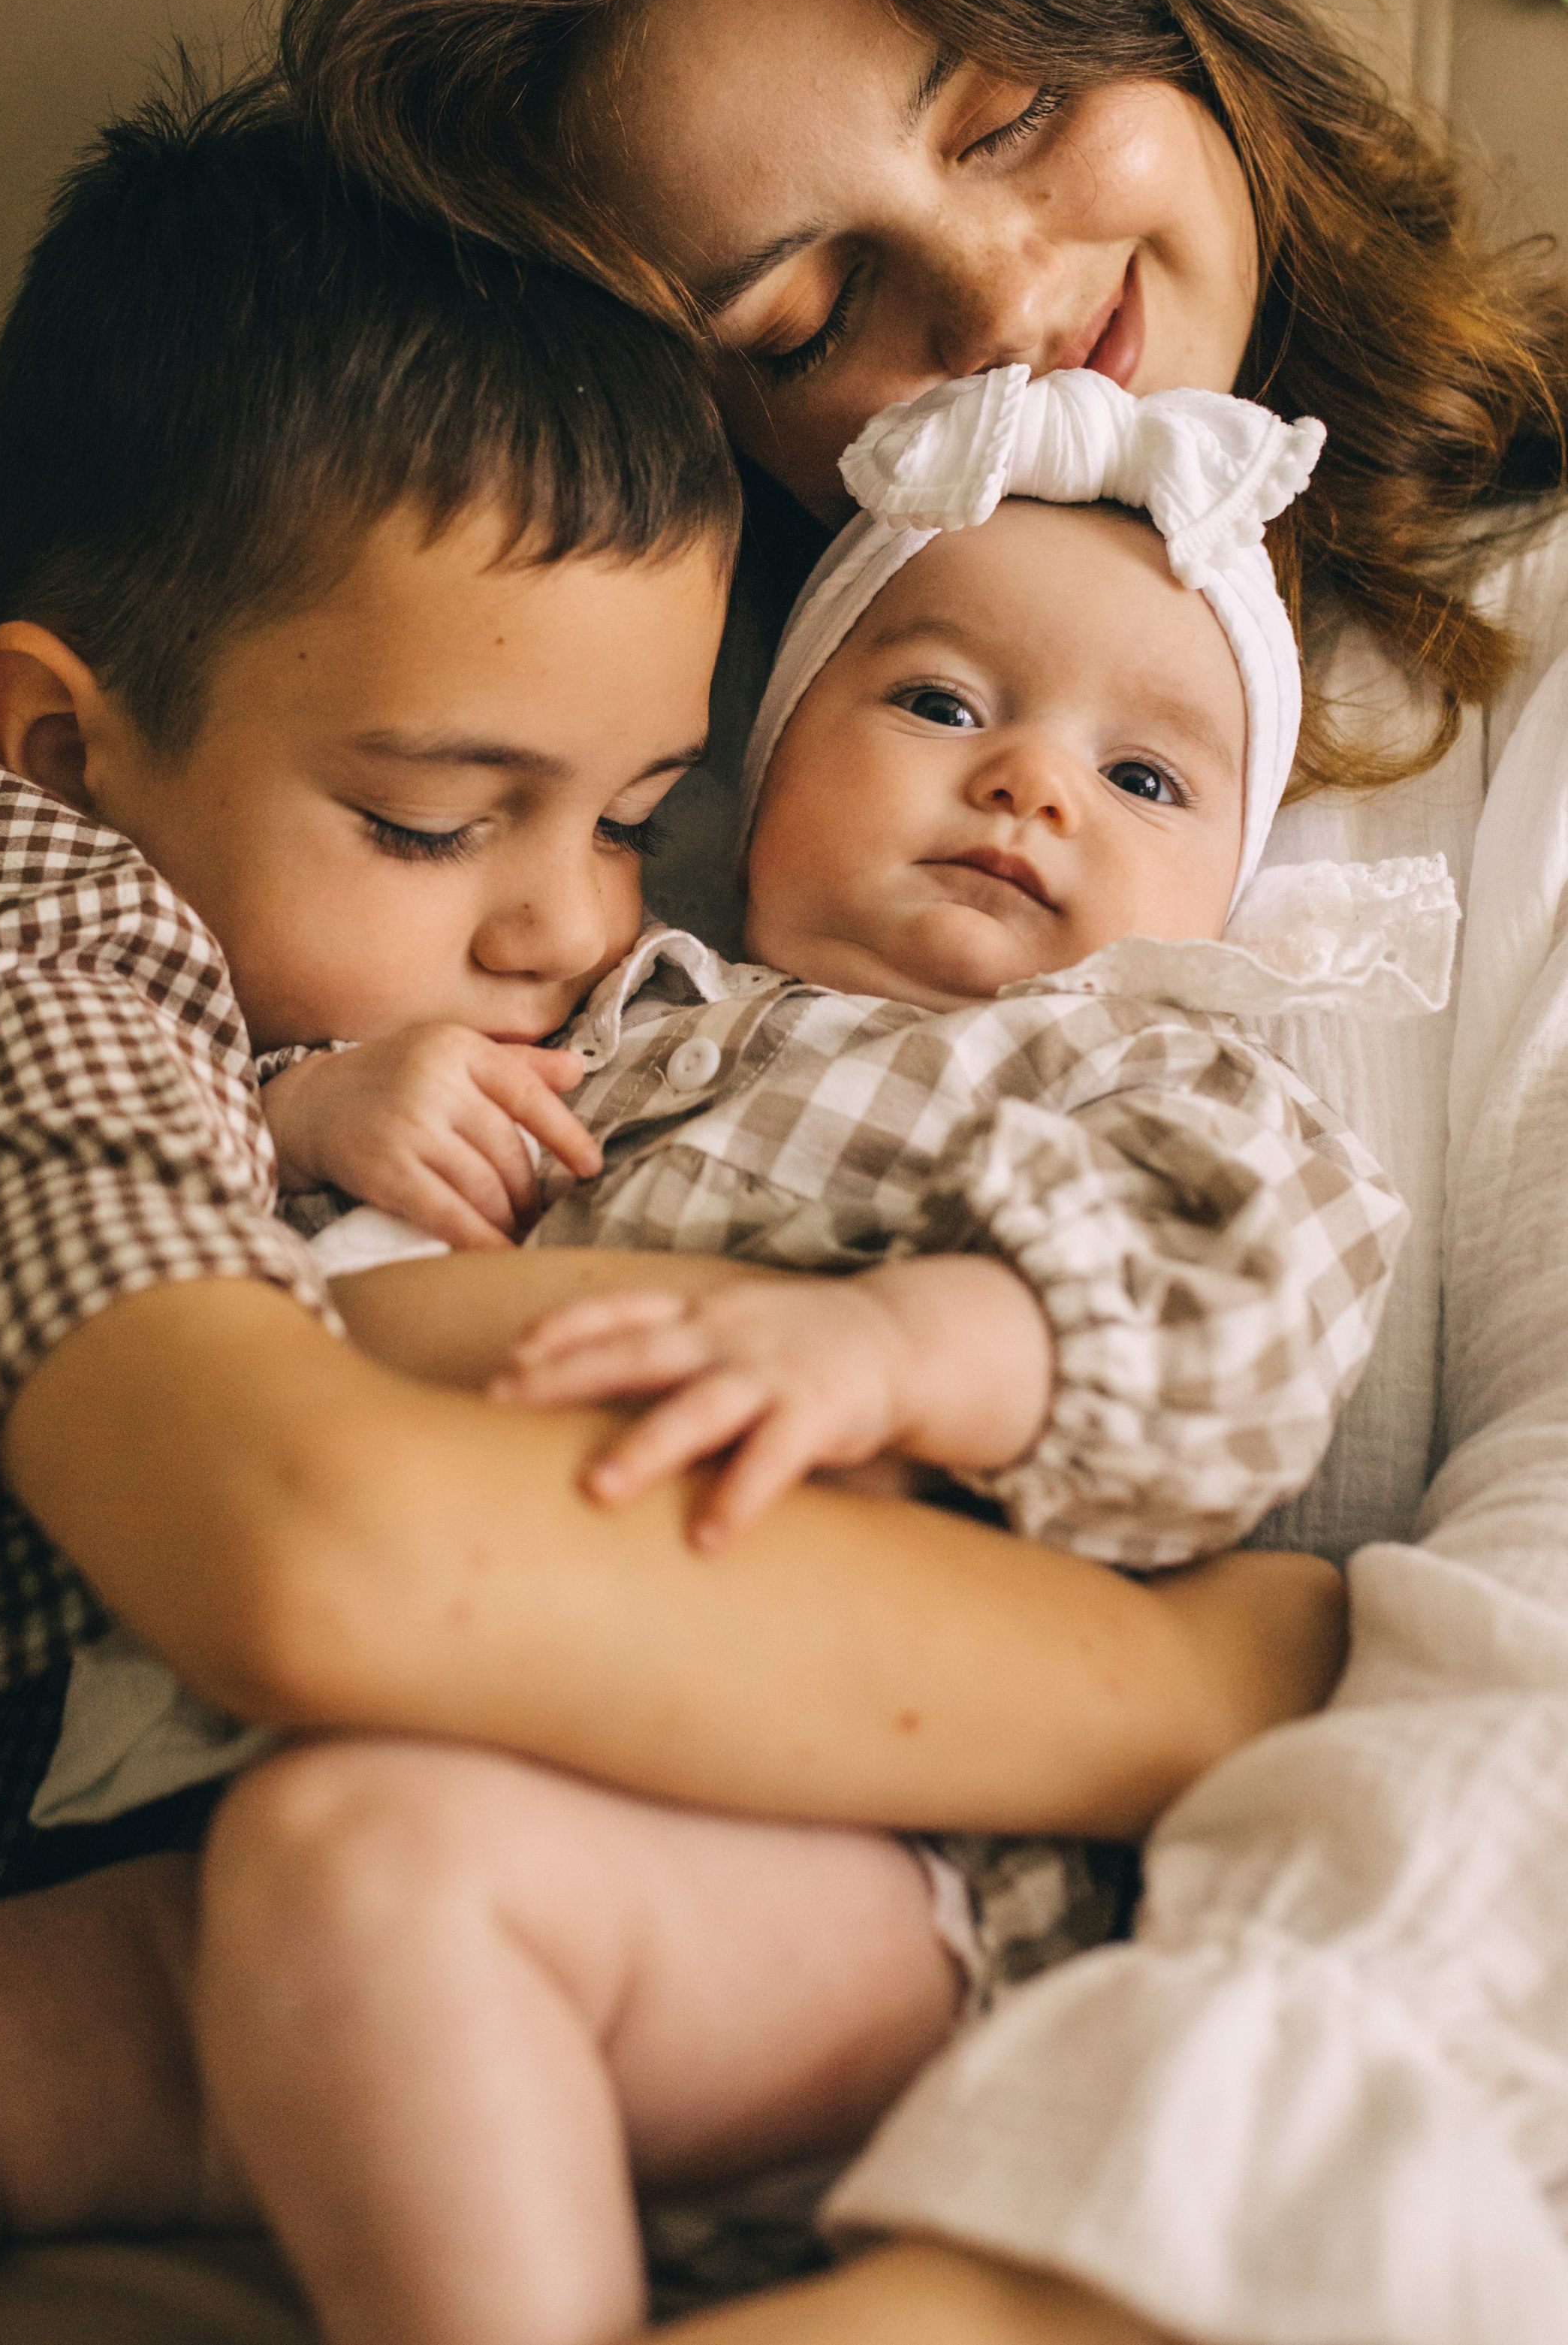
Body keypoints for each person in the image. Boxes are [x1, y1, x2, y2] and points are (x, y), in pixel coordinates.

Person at [0, 90, 1341, 2345]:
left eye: (646, 813)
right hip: (185, 1834)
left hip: (798, 1845)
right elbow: (302, 1496)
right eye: (440, 825)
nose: (560, 923)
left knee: (341, 1912)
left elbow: (1245, 1282)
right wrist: (1229, 1668)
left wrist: (918, 1345)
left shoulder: (1132, 1064)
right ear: (61, 751)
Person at [272, 0, 1568, 2341]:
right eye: (796, 315)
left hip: (1186, 2091)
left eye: (1006, 113)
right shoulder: (664, 811)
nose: (1000, 297)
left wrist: (1028, 2269)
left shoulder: (1529, 677)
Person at [97, 367, 1434, 2345]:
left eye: (1145, 779)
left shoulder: (1158, 1081)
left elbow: (1244, 1339)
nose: (1030, 785)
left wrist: (909, 1343)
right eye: (940, 700)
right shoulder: (614, 1016)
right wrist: (323, 1121)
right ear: (766, 753)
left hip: (882, 1855)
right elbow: (235, 1278)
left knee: (370, 1871)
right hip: (471, 1712)